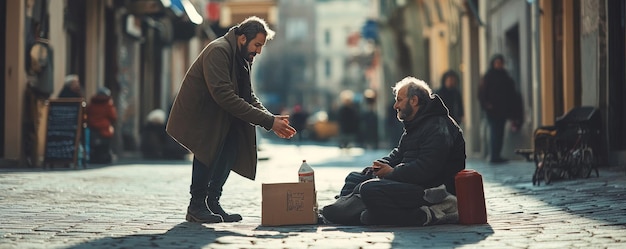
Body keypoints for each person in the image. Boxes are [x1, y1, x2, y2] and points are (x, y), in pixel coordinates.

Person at [166, 16, 296, 224]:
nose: (259, 51)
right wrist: (268, 122)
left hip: (218, 113)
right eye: (257, 45)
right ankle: (196, 205)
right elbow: (224, 95)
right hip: (201, 114)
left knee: (231, 146)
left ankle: (212, 202)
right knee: (206, 149)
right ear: (243, 38)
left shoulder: (242, 56)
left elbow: (248, 95)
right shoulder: (219, 50)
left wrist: (270, 118)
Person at [322, 76, 466, 226]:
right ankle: (349, 210)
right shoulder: (415, 124)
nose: (395, 105)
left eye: (399, 100)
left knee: (368, 188)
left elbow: (427, 169)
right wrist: (379, 166)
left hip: (431, 190)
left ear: (414, 100)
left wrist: (391, 173)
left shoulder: (439, 126)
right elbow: (398, 154)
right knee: (354, 178)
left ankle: (346, 212)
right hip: (409, 182)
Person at [478, 54, 523, 164]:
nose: (499, 65)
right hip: (492, 111)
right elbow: (481, 93)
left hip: (503, 110)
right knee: (494, 132)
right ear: (493, 63)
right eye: (497, 63)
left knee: (500, 133)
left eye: (500, 63)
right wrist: (487, 105)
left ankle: (497, 155)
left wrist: (512, 109)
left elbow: (511, 92)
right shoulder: (488, 76)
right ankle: (493, 155)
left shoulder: (505, 76)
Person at [86, 87, 117, 164]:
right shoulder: (108, 104)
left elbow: (87, 113)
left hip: (92, 126)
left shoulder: (92, 103)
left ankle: (94, 157)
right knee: (105, 145)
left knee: (93, 145)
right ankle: (104, 157)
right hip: (104, 128)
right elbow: (113, 116)